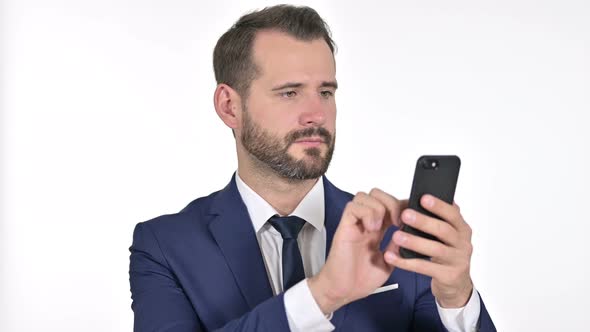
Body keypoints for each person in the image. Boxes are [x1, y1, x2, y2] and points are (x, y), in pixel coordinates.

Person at [129, 5, 496, 331]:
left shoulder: (396, 237)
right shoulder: (165, 247)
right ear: (229, 106)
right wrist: (321, 295)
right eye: (289, 92)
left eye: (326, 92)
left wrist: (456, 298)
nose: (317, 114)